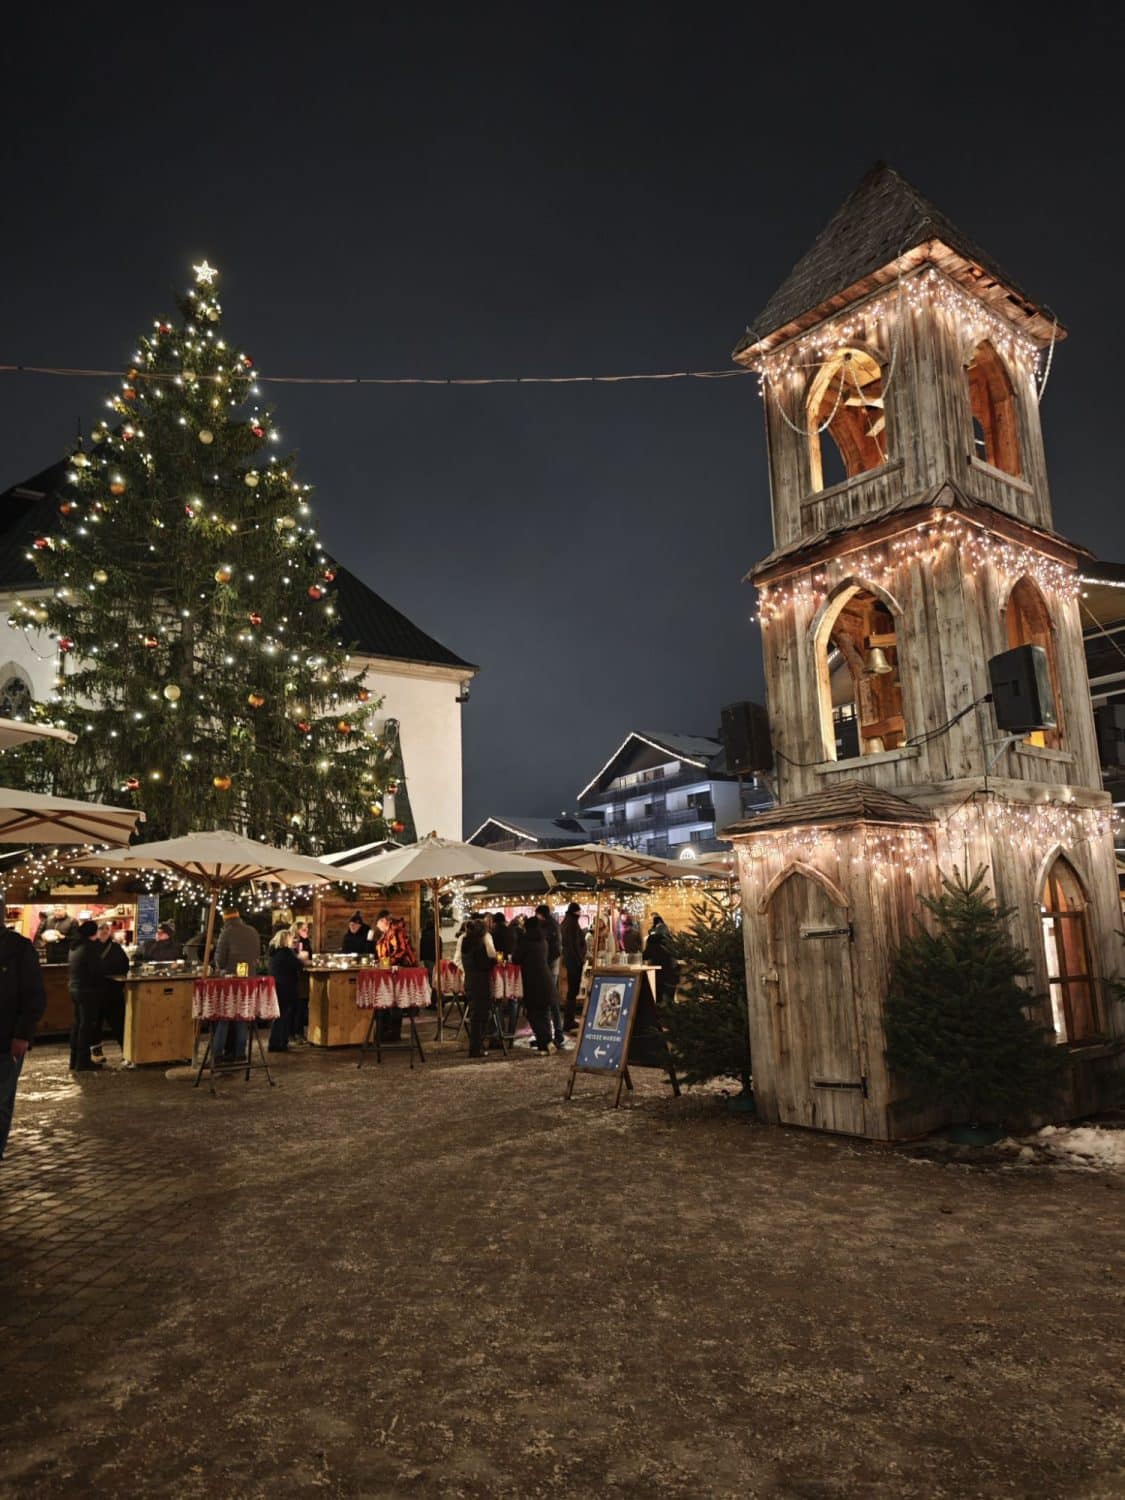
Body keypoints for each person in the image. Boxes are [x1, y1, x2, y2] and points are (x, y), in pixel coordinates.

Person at [0, 903, 47, 1161]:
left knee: (1, 1101)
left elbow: (34, 996)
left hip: (6, 1039)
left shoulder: (17, 948)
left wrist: (22, 1035)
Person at [211, 908, 261, 1066]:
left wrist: (221, 968)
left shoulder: (227, 933)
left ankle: (217, 1054)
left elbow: (219, 959)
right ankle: (240, 1053)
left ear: (225, 919)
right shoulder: (253, 931)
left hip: (231, 979)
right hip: (249, 980)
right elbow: (257, 954)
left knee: (224, 1016)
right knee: (242, 1016)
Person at [374, 910, 417, 1042]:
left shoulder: (396, 931)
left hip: (400, 971)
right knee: (388, 1000)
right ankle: (386, 1031)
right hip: (390, 970)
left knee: (395, 1001)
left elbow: (400, 950)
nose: (377, 927)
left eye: (378, 924)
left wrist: (385, 962)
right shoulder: (387, 933)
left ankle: (393, 1033)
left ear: (384, 921)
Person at [516, 914, 555, 1055]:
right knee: (544, 1013)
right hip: (546, 979)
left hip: (532, 981)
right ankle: (547, 1042)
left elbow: (516, 958)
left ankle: (544, 1044)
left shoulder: (525, 941)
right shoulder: (543, 940)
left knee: (533, 1014)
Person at [68, 920, 103, 1072]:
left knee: (78, 1025)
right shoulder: (89, 948)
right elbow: (96, 970)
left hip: (75, 988)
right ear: (93, 933)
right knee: (86, 1026)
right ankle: (83, 1061)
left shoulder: (74, 946)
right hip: (87, 990)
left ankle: (74, 1060)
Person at [461, 918, 497, 1058]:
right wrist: (493, 961)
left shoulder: (466, 942)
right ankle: (476, 1048)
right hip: (480, 983)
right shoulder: (478, 945)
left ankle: (476, 1047)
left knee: (476, 1015)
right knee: (480, 1016)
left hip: (470, 981)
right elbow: (484, 964)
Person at [95, 923, 129, 1059]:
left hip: (113, 992)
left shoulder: (116, 948)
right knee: (96, 1025)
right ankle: (97, 1052)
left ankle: (126, 1052)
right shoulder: (91, 947)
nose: (104, 931)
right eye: (101, 929)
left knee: (119, 1025)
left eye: (106, 929)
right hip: (96, 992)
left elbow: (125, 965)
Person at [537, 903, 567, 1051]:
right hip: (551, 965)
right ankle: (555, 1033)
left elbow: (554, 949)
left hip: (549, 966)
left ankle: (555, 1034)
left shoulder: (547, 926)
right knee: (551, 999)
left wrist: (545, 962)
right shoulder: (553, 925)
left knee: (550, 1000)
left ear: (540, 914)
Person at [267, 930, 303, 1052]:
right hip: (286, 986)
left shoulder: (274, 952)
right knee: (283, 1015)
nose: (293, 941)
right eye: (291, 938)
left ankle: (279, 1041)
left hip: (277, 985)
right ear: (285, 939)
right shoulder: (286, 953)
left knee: (280, 1015)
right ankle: (278, 1043)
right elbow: (298, 965)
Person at [560, 902, 586, 1033]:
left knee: (571, 991)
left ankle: (568, 1020)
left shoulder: (566, 923)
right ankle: (568, 1021)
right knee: (573, 991)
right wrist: (581, 959)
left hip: (569, 961)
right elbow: (575, 945)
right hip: (574, 962)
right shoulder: (572, 924)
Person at [643, 914, 680, 1004]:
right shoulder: (670, 940)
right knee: (669, 997)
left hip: (657, 972)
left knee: (657, 996)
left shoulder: (651, 940)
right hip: (670, 972)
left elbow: (646, 955)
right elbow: (676, 955)